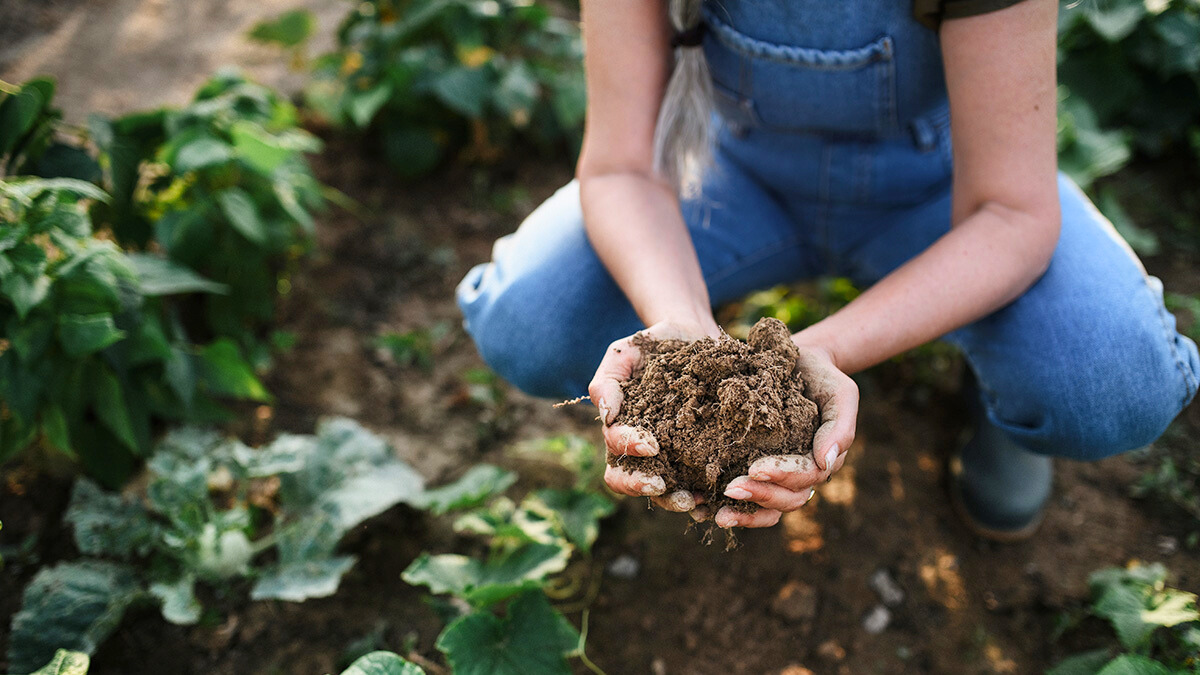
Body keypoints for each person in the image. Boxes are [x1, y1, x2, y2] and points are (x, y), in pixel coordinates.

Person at [455, 0, 1200, 540]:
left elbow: (1011, 212)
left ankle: (1005, 404)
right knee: (534, 323)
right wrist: (680, 332)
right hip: (729, 173)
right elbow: (621, 167)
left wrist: (821, 352)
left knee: (1110, 382)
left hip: (945, 190)